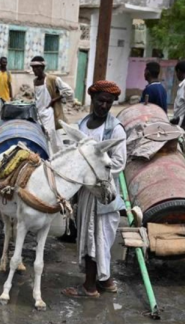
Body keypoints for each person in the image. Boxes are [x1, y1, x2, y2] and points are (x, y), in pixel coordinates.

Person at [62, 81, 127, 299]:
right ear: (92, 99)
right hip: (85, 193)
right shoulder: (81, 125)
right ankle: (106, 281)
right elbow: (74, 154)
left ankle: (89, 287)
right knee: (93, 237)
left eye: (109, 102)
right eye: (100, 101)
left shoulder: (115, 129)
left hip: (103, 193)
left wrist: (94, 175)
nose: (104, 105)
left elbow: (118, 163)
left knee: (97, 238)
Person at [31, 55, 74, 130]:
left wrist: (55, 100)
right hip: (38, 114)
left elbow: (69, 91)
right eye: (33, 67)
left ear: (42, 67)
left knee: (51, 136)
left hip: (49, 114)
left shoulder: (52, 79)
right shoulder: (35, 81)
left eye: (36, 67)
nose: (34, 70)